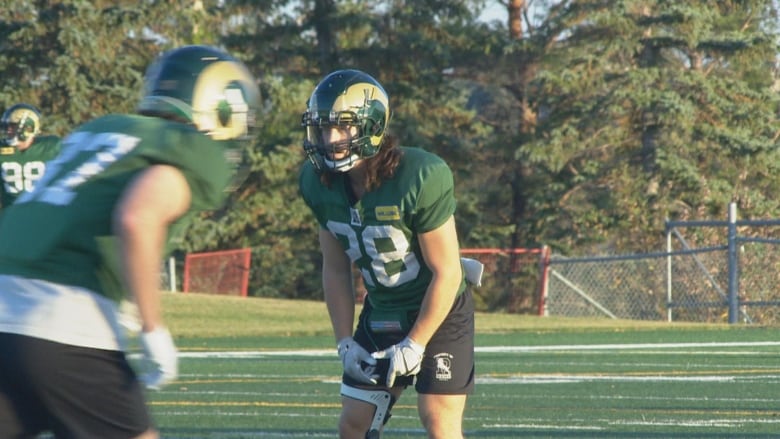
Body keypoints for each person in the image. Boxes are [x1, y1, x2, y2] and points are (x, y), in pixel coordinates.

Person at [0, 45, 261, 439]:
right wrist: (152, 328)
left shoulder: (98, 129)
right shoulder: (193, 149)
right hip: (65, 322)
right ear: (220, 109)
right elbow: (137, 217)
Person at [298, 69, 478, 439]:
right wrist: (343, 341)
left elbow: (447, 272)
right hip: (382, 309)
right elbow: (335, 270)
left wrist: (416, 344)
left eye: (342, 127)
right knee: (353, 422)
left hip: (439, 311)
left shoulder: (419, 175)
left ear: (372, 126)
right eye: (322, 128)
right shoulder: (318, 183)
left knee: (438, 419)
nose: (330, 139)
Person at [0, 103, 62, 208]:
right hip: (11, 214)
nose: (8, 130)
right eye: (7, 126)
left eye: (13, 126)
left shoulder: (51, 147)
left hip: (43, 211)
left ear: (28, 127)